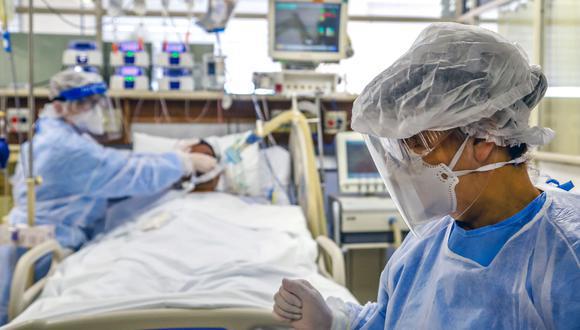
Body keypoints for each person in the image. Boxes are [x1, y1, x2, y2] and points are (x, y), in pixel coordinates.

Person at [273, 23, 580, 329]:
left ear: (484, 138)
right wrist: (335, 323)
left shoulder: (565, 258)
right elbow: (390, 319)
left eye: (418, 145)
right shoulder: (426, 245)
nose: (401, 167)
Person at [0, 69, 217, 325]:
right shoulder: (66, 148)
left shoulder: (61, 137)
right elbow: (124, 172)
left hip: (36, 237)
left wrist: (169, 158)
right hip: (42, 245)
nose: (100, 111)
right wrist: (182, 163)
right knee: (15, 316)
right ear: (65, 107)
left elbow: (118, 163)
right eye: (93, 105)